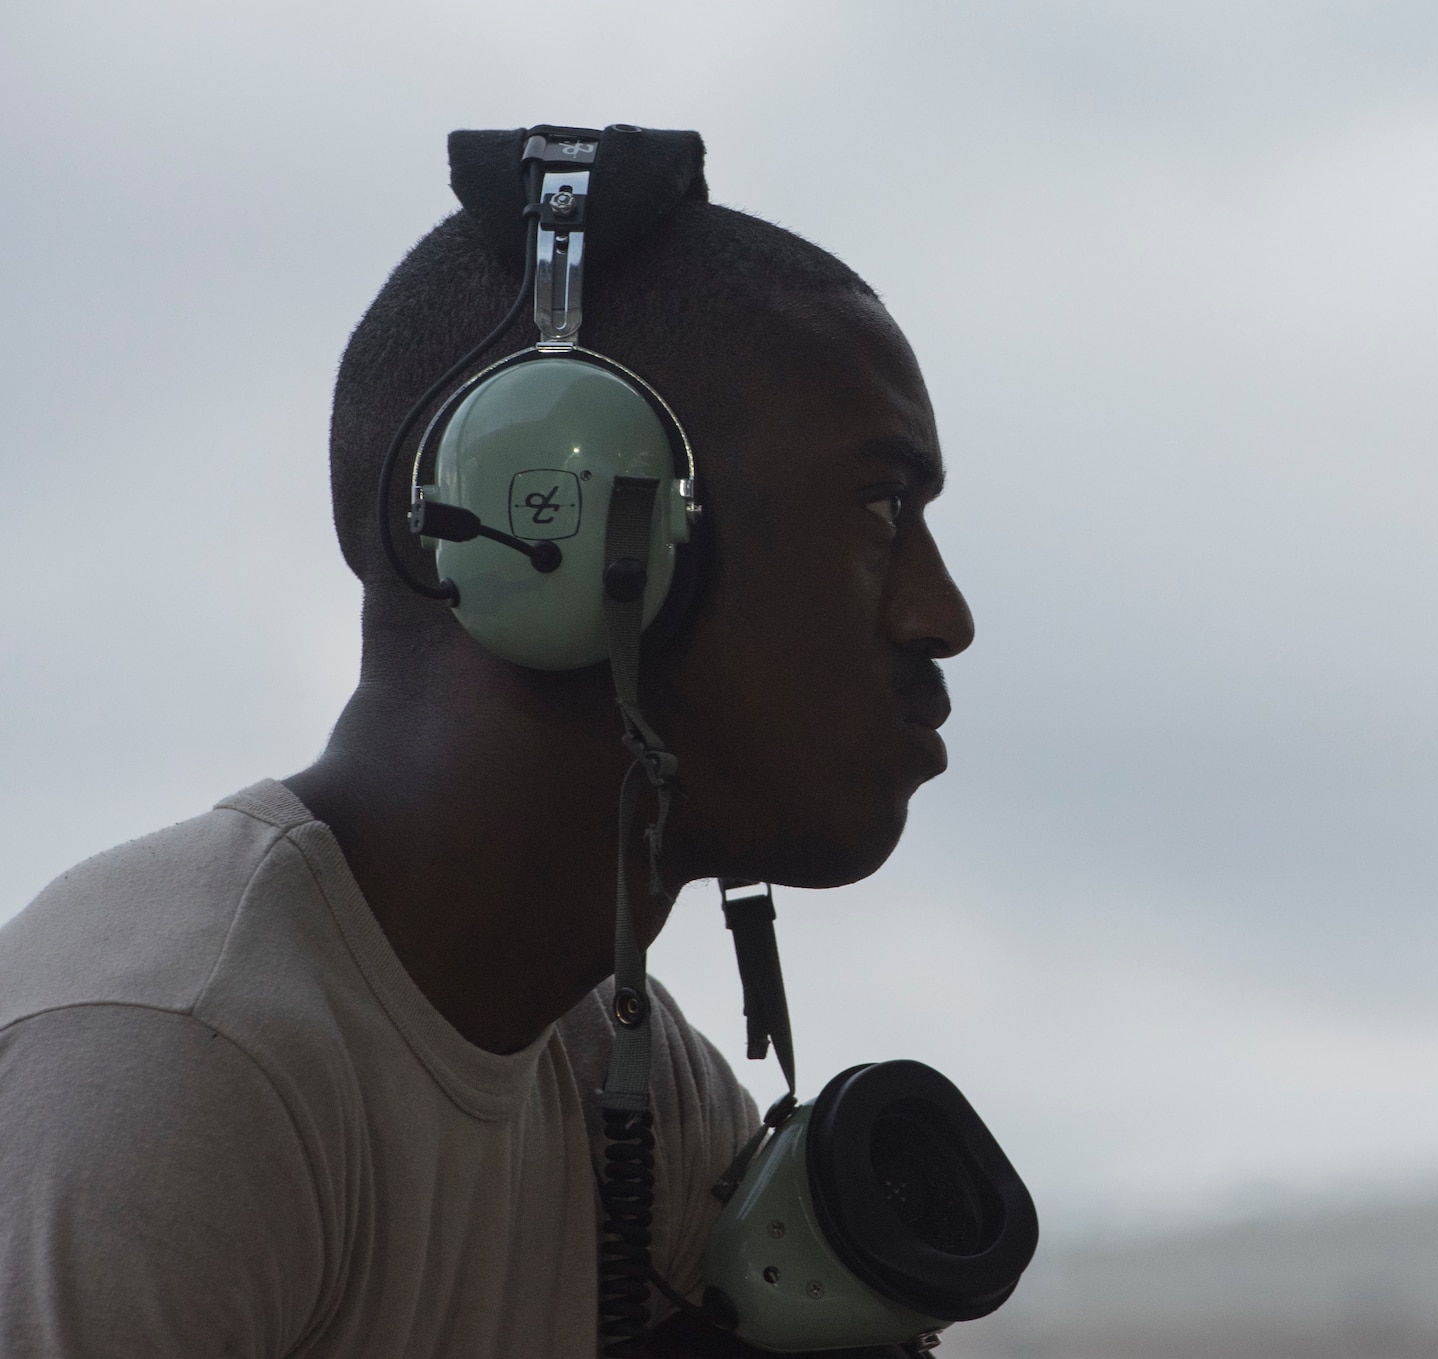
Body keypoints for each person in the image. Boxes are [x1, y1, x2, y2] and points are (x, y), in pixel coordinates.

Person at [0, 130, 975, 1357]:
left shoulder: (621, 1077)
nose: (942, 616)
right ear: (565, 543)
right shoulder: (175, 1074)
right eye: (883, 510)